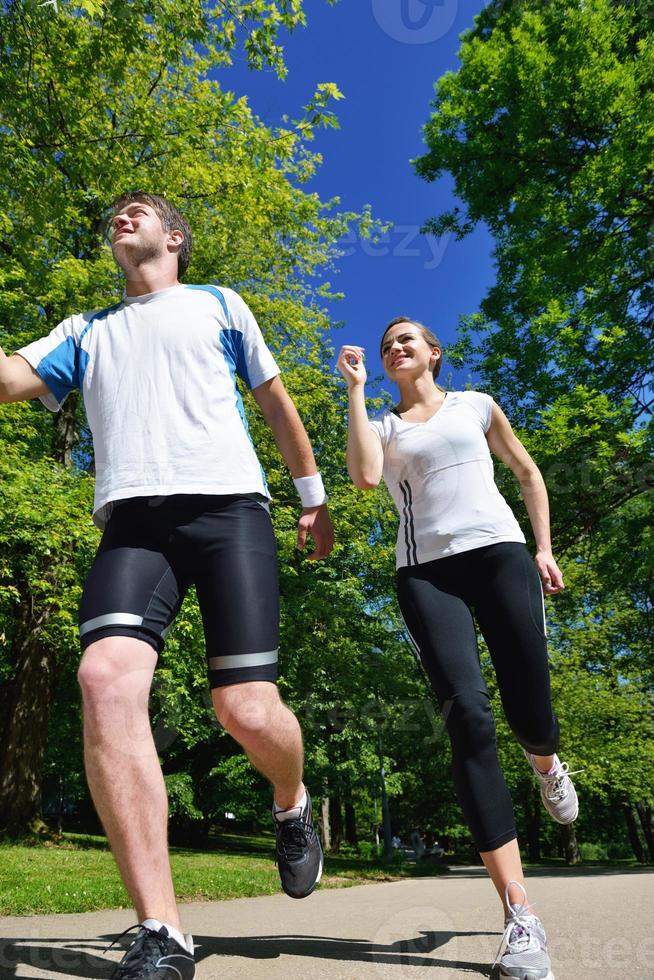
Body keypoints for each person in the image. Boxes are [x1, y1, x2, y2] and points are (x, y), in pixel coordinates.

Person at [0, 191, 334, 980]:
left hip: (230, 512)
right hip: (135, 524)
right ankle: (160, 930)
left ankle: (291, 801)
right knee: (103, 679)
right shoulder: (85, 331)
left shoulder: (221, 304)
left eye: (141, 211)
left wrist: (312, 497)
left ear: (174, 237)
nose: (123, 217)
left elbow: (277, 407)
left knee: (244, 709)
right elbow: (11, 378)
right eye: (115, 214)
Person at [337, 317, 580, 980]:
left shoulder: (478, 406)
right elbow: (362, 477)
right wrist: (356, 393)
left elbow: (527, 472)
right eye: (387, 344)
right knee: (468, 718)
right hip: (426, 575)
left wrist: (544, 547)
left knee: (528, 702)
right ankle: (520, 916)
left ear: (435, 353)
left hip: (500, 555)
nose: (394, 347)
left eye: (406, 338)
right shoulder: (384, 425)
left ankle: (547, 764)